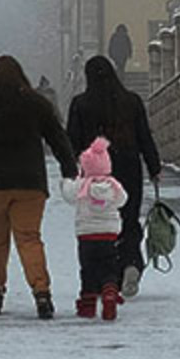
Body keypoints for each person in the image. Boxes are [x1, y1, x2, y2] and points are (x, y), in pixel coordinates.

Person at [0, 56, 78, 320]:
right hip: (30, 182)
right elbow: (58, 136)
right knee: (29, 238)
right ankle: (42, 293)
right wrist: (69, 167)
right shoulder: (35, 102)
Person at [66, 56, 162, 300]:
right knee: (128, 219)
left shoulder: (81, 104)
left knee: (100, 223)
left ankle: (106, 275)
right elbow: (144, 137)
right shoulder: (131, 101)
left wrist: (72, 170)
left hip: (96, 173)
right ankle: (130, 263)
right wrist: (154, 167)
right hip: (129, 167)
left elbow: (72, 141)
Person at [60, 136, 127, 321]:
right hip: (109, 236)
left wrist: (66, 181)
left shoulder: (81, 186)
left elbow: (68, 194)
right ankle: (110, 291)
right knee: (109, 267)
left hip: (86, 237)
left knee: (88, 269)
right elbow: (123, 200)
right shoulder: (113, 186)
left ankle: (88, 305)